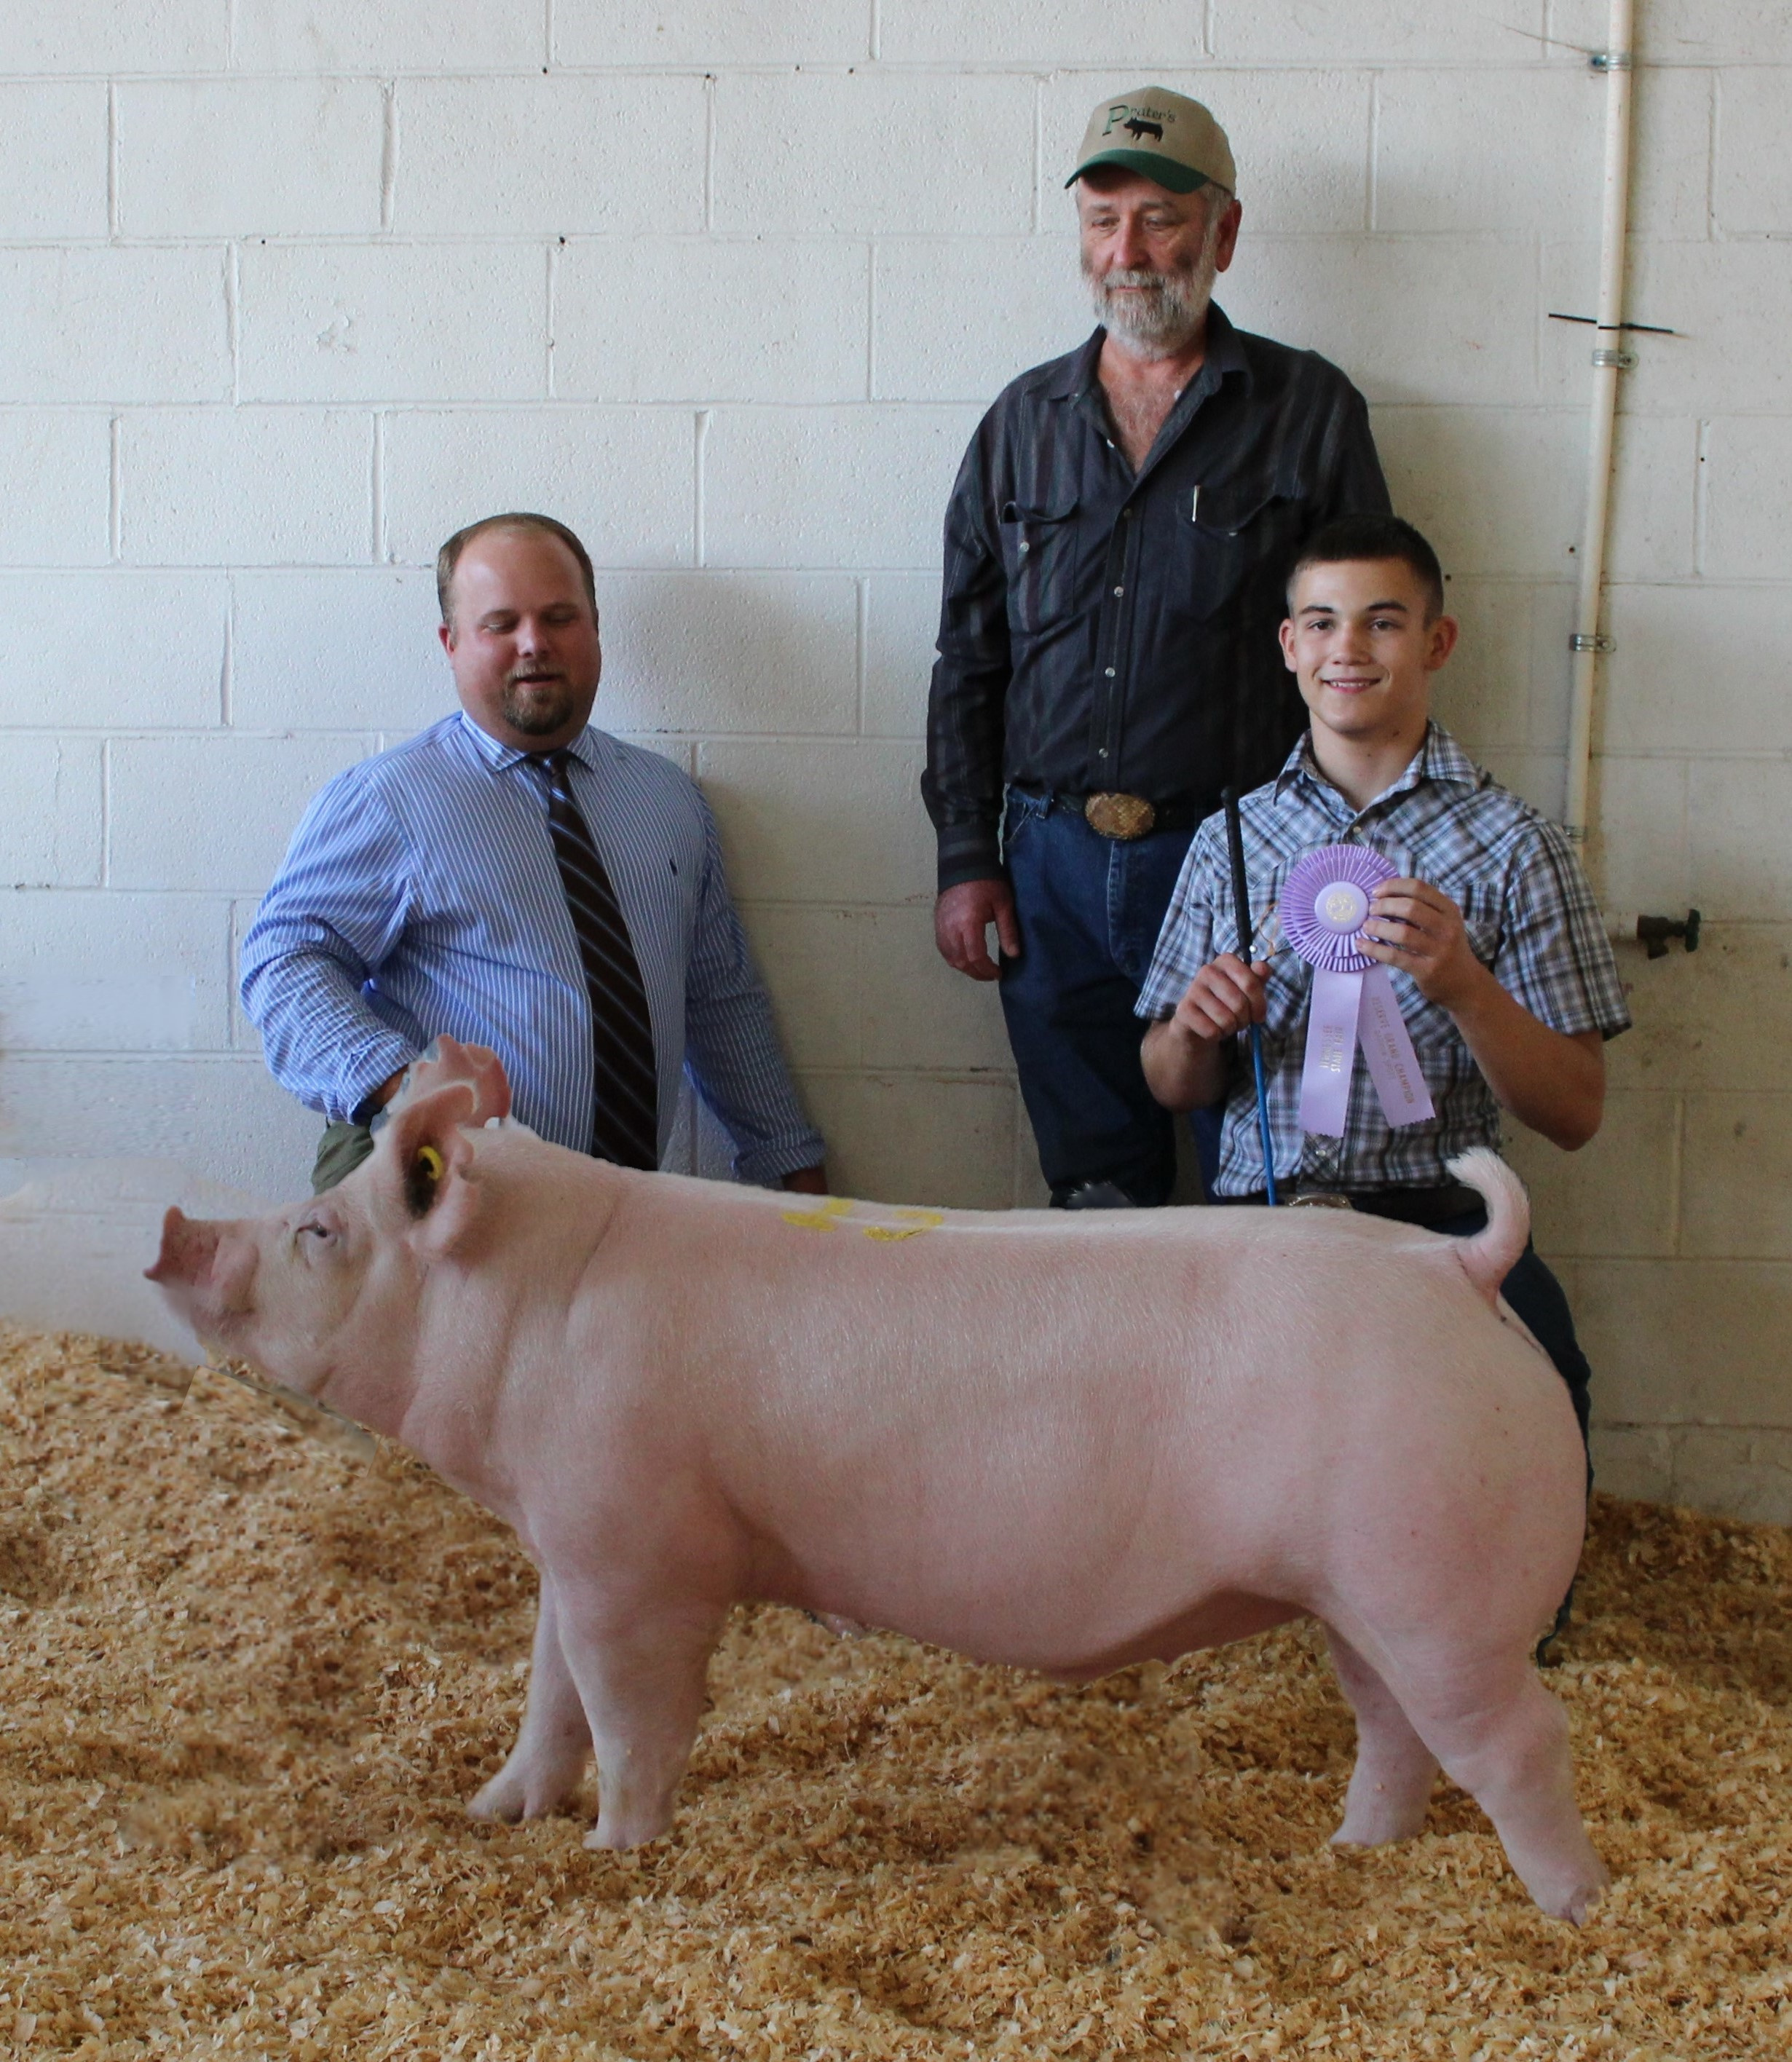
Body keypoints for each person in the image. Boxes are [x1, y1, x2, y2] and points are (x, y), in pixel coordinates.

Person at [1137, 513, 1630, 1648]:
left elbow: (1575, 1113)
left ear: (1437, 642)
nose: (1348, 646)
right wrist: (1197, 1030)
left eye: (1382, 621)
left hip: (1443, 1226)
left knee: (1546, 1383)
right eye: (1322, 622)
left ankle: (1516, 1629)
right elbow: (1168, 1081)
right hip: (1263, 1219)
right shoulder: (1233, 838)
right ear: (1289, 647)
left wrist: (1464, 985)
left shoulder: (1517, 845)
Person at [924, 85, 1389, 1209]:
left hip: (1248, 867)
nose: (1126, 251)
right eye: (1101, 218)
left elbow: (1362, 658)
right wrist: (963, 857)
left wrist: (1357, 854)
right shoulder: (1017, 427)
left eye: (1161, 218)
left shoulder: (1311, 412)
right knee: (1096, 1199)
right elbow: (968, 662)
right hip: (1050, 877)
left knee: (1276, 1190)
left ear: (1222, 234)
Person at [242, 512, 827, 1197]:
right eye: (500, 624)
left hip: (609, 1216)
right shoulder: (389, 800)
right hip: (424, 1196)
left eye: (559, 618)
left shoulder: (668, 801)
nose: (534, 644)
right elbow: (283, 960)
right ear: (451, 642)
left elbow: (719, 997)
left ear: (595, 628)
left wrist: (785, 1157)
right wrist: (402, 1088)